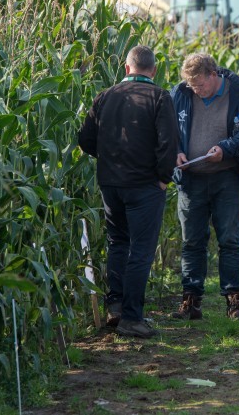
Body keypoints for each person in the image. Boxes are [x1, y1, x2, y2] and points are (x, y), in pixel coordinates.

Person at [78, 45, 178, 339]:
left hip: (111, 184)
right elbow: (168, 143)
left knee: (118, 243)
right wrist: (163, 178)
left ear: (126, 68)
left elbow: (85, 139)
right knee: (141, 250)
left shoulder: (105, 96)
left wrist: (109, 161)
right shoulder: (160, 97)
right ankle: (132, 318)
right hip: (144, 185)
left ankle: (116, 306)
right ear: (154, 70)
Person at [170, 53, 239, 320]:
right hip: (191, 178)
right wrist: (176, 152)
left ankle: (234, 302)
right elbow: (168, 128)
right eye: (192, 85)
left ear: (213, 75)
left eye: (200, 84)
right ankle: (191, 301)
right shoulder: (181, 93)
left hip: (226, 176)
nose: (196, 89)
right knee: (192, 241)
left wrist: (226, 148)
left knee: (229, 240)